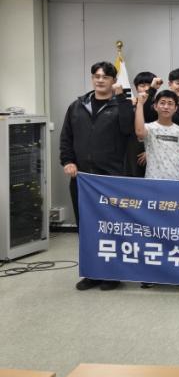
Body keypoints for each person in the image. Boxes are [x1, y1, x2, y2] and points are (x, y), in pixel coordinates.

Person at [59, 61, 134, 291]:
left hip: (109, 179)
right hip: (82, 178)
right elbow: (66, 137)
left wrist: (122, 99)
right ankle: (91, 273)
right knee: (86, 227)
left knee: (110, 226)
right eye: (96, 76)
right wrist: (68, 161)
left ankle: (112, 274)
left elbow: (128, 129)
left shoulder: (120, 104)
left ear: (114, 81)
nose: (100, 80)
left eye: (105, 77)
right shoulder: (77, 106)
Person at [135, 90, 179, 181]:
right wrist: (140, 104)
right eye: (162, 103)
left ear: (175, 108)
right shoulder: (149, 128)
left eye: (170, 103)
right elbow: (139, 132)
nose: (166, 107)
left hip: (176, 182)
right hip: (152, 181)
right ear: (155, 106)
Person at [126, 71, 156, 177]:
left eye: (149, 85)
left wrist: (150, 151)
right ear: (136, 88)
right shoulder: (130, 104)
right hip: (133, 148)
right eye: (142, 86)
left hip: (154, 150)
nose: (146, 88)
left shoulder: (160, 106)